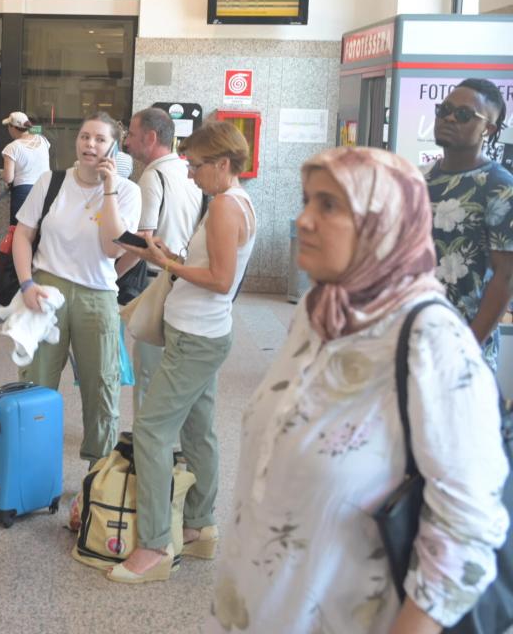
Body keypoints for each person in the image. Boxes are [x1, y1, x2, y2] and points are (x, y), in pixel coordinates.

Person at [209, 146, 508, 632]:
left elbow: (468, 527)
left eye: (329, 205)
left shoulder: (434, 341)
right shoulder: (319, 312)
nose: (304, 220)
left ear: (385, 224)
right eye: (308, 201)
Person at [112, 120, 257, 583]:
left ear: (223, 164)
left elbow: (219, 281)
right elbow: (212, 270)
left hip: (196, 337)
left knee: (153, 433)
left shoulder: (224, 209)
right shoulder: (235, 202)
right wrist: (174, 256)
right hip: (203, 334)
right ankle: (200, 524)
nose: (190, 174)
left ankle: (154, 546)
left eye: (196, 165)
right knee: (198, 431)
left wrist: (165, 262)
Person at [13, 111, 141, 464]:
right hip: (45, 290)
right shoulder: (50, 182)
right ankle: (32, 468)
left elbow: (113, 248)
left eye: (100, 139)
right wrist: (26, 284)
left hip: (97, 296)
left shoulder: (129, 192)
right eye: (85, 136)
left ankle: (97, 481)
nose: (90, 145)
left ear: (114, 147)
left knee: (102, 388)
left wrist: (109, 189)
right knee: (35, 383)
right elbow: (23, 235)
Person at [118, 107, 204, 412]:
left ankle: (146, 442)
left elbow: (144, 240)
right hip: (183, 280)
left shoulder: (153, 176)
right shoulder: (187, 171)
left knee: (148, 372)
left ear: (151, 137)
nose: (126, 142)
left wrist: (112, 276)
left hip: (156, 283)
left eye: (131, 134)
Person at [424, 77, 513, 371]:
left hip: (465, 348)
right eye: (444, 109)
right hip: (417, 337)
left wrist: (468, 349)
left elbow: (506, 277)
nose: (449, 117)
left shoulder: (500, 187)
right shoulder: (422, 179)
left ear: (488, 129)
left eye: (463, 114)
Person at [0, 111, 51, 218]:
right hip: (44, 189)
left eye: (8, 126)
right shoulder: (43, 140)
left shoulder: (12, 148)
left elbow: (8, 178)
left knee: (20, 230)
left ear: (13, 127)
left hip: (23, 192)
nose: (8, 129)